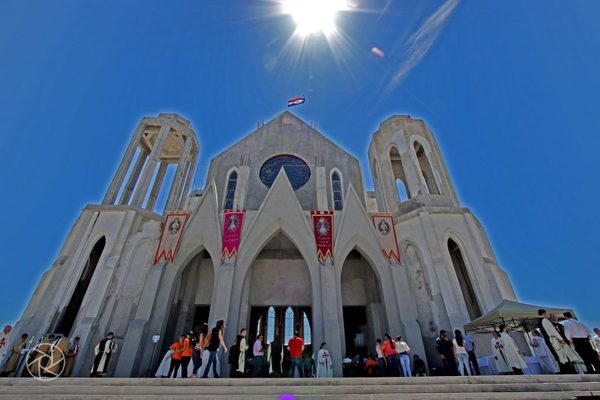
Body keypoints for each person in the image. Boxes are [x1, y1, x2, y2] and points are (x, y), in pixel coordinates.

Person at [538, 309, 580, 373]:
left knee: (564, 355)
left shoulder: (546, 321)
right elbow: (553, 331)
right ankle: (566, 370)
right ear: (543, 313)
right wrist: (560, 339)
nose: (548, 314)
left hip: (556, 339)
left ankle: (569, 370)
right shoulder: (544, 320)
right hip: (556, 340)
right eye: (547, 313)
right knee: (561, 355)